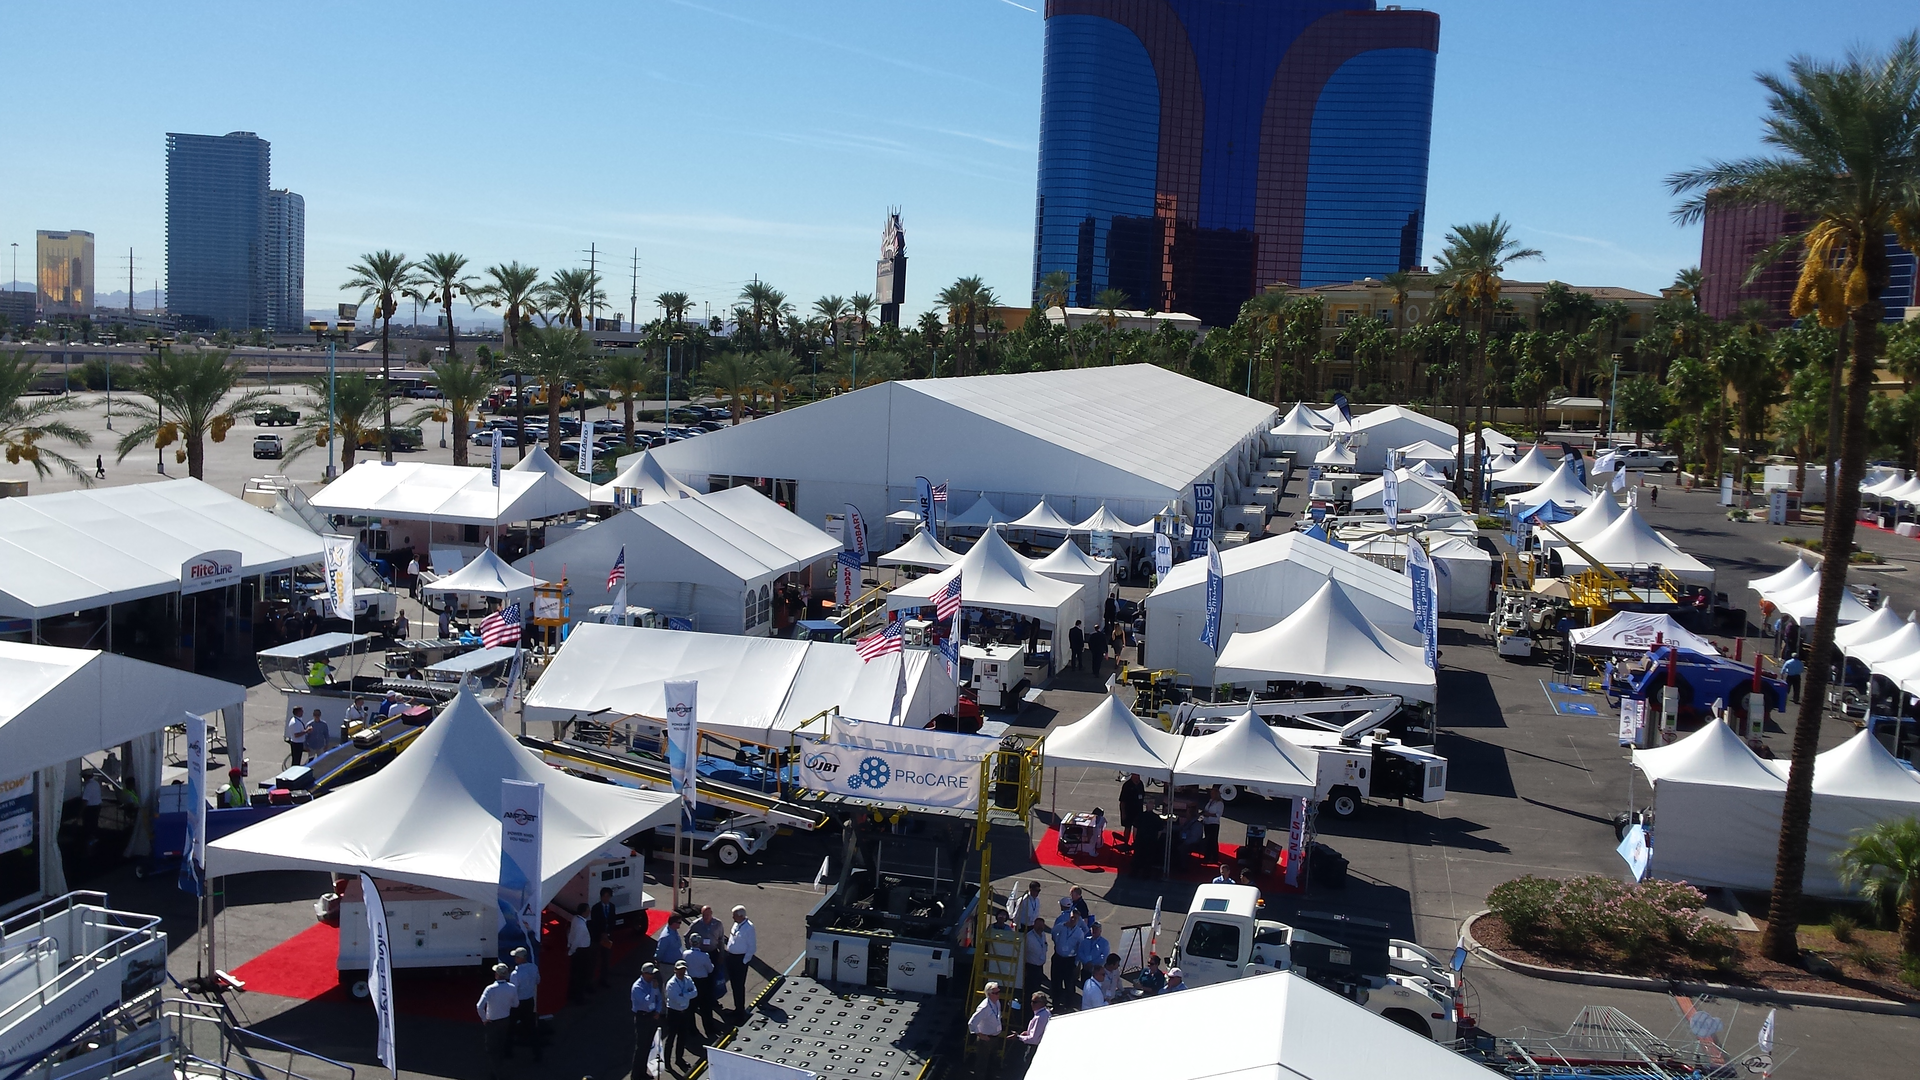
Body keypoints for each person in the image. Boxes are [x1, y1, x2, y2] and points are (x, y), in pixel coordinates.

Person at [476, 964, 519, 1074]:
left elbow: (479, 1006)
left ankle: (496, 1072)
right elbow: (516, 1004)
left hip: (492, 1022)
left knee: (491, 1047)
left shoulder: (490, 989)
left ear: (496, 974)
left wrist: (484, 1019)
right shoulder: (512, 987)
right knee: (501, 1044)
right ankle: (499, 1066)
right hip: (505, 1020)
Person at [664, 960, 703, 1069]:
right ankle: (667, 1063)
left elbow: (695, 993)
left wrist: (684, 995)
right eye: (679, 970)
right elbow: (676, 999)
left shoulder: (688, 980)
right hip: (673, 1013)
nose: (681, 972)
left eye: (683, 970)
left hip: (685, 1012)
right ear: (675, 970)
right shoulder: (671, 984)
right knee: (671, 1038)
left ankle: (679, 1059)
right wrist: (687, 996)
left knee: (682, 1037)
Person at [630, 963, 664, 1080]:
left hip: (652, 1016)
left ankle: (642, 1072)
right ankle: (636, 1075)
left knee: (648, 1045)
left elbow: (659, 999)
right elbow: (646, 1002)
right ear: (644, 974)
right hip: (642, 1017)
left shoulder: (652, 983)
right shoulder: (637, 987)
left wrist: (658, 1011)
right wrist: (653, 989)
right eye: (650, 974)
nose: (652, 976)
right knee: (641, 1047)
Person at [509, 947, 542, 1058]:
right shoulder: (534, 967)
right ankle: (537, 1053)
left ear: (521, 958)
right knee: (532, 1028)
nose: (515, 959)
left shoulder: (515, 974)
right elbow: (538, 981)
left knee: (510, 1027)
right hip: (529, 1001)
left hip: (517, 1003)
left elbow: (513, 990)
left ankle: (508, 1052)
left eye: (516, 957)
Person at [725, 905, 756, 1020]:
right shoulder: (737, 924)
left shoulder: (749, 928)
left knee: (738, 985)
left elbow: (752, 947)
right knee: (734, 985)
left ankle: (740, 1010)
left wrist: (744, 961)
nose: (732, 917)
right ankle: (737, 1008)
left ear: (741, 916)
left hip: (740, 960)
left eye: (734, 915)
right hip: (731, 957)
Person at [1049, 904, 1084, 1006]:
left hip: (1069, 960)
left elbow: (1080, 948)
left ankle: (1068, 1006)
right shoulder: (1061, 926)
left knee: (1069, 984)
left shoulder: (1079, 933)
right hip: (1058, 958)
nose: (1073, 920)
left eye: (1075, 918)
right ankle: (1056, 1004)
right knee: (1056, 982)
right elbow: (1053, 934)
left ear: (1078, 920)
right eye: (1072, 917)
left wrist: (1075, 962)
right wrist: (1058, 945)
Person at [967, 982, 1004, 1074]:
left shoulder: (997, 1002)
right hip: (986, 1040)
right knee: (982, 1064)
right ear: (989, 994)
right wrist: (981, 1035)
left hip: (995, 1037)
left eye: (999, 992)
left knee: (992, 1062)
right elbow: (972, 1023)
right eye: (996, 993)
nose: (998, 995)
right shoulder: (984, 1007)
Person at [1011, 991, 1050, 1064]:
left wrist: (1018, 1037)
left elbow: (1034, 1039)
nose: (1032, 1004)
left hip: (1034, 1048)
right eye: (1031, 1001)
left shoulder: (1039, 1017)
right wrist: (1028, 1032)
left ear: (1042, 1003)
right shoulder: (1046, 1012)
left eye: (1035, 1002)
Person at [590, 887, 617, 988]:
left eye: (608, 896)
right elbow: (594, 923)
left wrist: (608, 933)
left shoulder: (612, 907)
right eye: (604, 896)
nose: (606, 898)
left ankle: (603, 980)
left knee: (606, 960)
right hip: (597, 938)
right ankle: (591, 983)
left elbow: (612, 921)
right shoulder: (596, 908)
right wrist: (601, 933)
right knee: (594, 961)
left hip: (607, 938)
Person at [566, 903, 593, 1004]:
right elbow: (577, 940)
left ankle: (572, 994)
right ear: (584, 912)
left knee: (574, 974)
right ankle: (579, 997)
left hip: (578, 951)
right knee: (581, 975)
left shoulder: (575, 919)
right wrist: (571, 951)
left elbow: (571, 933)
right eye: (588, 910)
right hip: (582, 952)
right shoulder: (581, 926)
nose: (589, 912)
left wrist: (569, 944)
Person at [1076, 920, 1109, 985]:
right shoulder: (1085, 941)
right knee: (1085, 986)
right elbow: (1080, 952)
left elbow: (1104, 957)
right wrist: (1086, 962)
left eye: (1096, 929)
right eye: (1093, 928)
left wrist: (1092, 964)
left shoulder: (1104, 943)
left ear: (1100, 931)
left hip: (1097, 971)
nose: (1094, 930)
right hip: (1085, 969)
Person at [1022, 919, 1050, 995]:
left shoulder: (1043, 935)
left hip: (1040, 967)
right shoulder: (1028, 937)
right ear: (1034, 925)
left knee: (1037, 987)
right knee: (1030, 989)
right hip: (1031, 967)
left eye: (1042, 925)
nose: (1040, 927)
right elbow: (1023, 952)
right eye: (1038, 925)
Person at [1119, 773, 1146, 849]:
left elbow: (1143, 795)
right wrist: (1123, 813)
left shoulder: (1140, 784)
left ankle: (1135, 843)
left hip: (1138, 811)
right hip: (1129, 811)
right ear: (1132, 776)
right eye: (1136, 776)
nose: (1138, 778)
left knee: (1137, 828)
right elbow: (1122, 801)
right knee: (1128, 827)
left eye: (1139, 776)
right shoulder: (1127, 785)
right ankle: (1125, 843)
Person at [80, 769, 104, 845]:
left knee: (88, 826)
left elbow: (85, 800)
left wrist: (80, 812)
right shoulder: (96, 784)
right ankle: (94, 839)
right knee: (94, 824)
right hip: (97, 806)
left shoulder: (88, 786)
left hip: (90, 808)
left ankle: (89, 842)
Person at [1202, 787, 1225, 859]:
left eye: (1213, 793)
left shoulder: (1219, 803)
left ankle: (1214, 857)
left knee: (1213, 840)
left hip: (1214, 823)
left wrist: (1208, 814)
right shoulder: (1210, 801)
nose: (1211, 794)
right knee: (1207, 840)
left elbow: (1218, 815)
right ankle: (1207, 856)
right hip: (1207, 822)